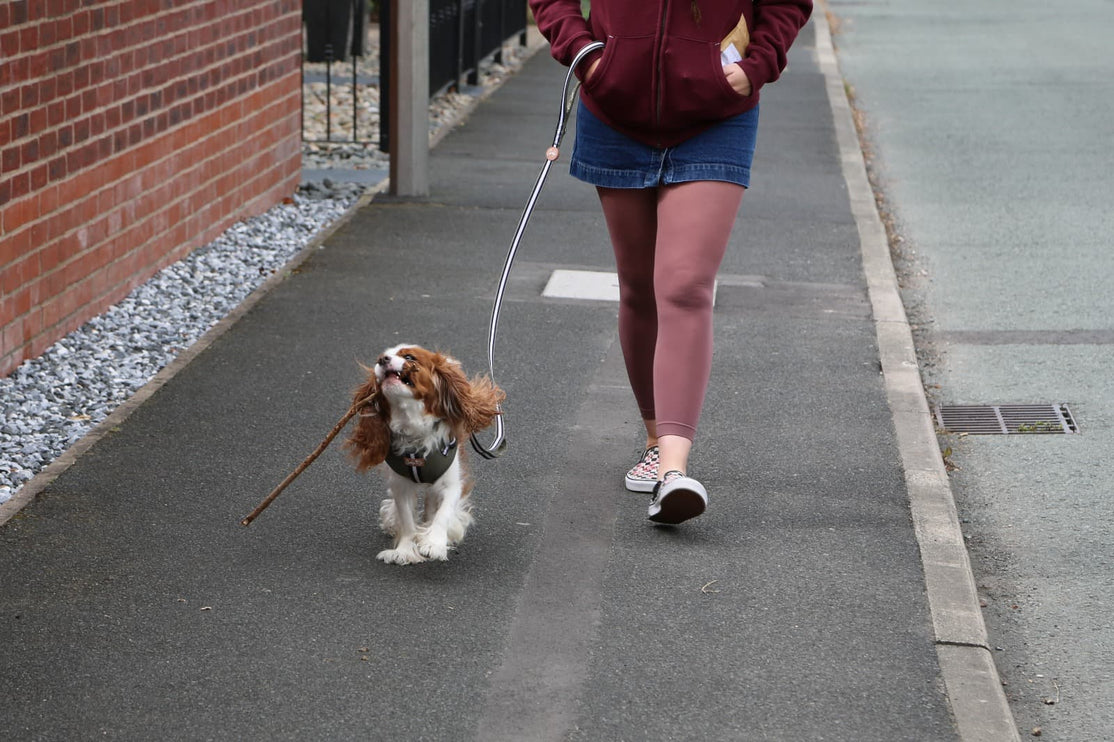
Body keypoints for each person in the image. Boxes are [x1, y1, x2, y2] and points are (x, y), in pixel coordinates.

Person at [529, 0, 812, 524]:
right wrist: (588, 56)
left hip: (716, 114)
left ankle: (674, 472)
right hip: (614, 110)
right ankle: (656, 437)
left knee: (684, 286)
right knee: (638, 288)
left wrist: (756, 68)